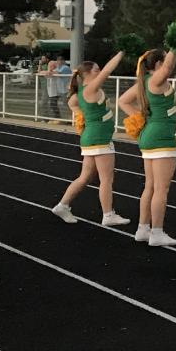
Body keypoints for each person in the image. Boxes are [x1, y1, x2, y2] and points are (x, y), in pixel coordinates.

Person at [50, 51, 130, 227]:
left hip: (91, 137)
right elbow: (107, 70)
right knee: (106, 179)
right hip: (99, 138)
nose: (99, 71)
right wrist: (121, 53)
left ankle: (62, 206)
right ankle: (108, 215)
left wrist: (84, 115)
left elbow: (72, 104)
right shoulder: (90, 89)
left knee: (85, 177)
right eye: (96, 70)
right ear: (87, 73)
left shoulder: (79, 93)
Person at [116, 48, 176, 247]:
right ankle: (157, 232)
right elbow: (168, 67)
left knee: (150, 186)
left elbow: (122, 101)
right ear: (158, 64)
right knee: (161, 188)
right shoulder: (155, 80)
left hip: (149, 135)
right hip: (161, 137)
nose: (170, 62)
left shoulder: (144, 81)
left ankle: (142, 229)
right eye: (166, 60)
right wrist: (175, 45)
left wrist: (141, 118)